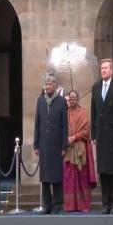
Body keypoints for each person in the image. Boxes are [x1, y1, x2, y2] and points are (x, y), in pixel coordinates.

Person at [91, 58, 113, 215]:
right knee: (103, 171)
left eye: (106, 68)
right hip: (100, 135)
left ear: (111, 70)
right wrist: (93, 134)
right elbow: (93, 112)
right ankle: (105, 203)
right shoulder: (96, 87)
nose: (103, 70)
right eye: (102, 68)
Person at [34, 73, 68, 214]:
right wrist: (36, 144)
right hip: (44, 144)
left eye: (50, 84)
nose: (48, 86)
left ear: (55, 86)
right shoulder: (40, 101)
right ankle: (46, 205)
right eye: (46, 84)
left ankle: (58, 205)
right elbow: (37, 123)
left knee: (56, 177)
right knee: (45, 177)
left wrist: (64, 146)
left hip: (57, 145)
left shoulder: (61, 101)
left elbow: (65, 126)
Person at [63, 90, 96, 212]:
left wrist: (74, 137)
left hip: (80, 150)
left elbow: (86, 132)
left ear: (77, 100)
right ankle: (70, 205)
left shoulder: (82, 113)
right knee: (69, 178)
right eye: (70, 99)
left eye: (74, 98)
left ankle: (84, 205)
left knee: (82, 179)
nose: (72, 101)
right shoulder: (65, 114)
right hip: (69, 150)